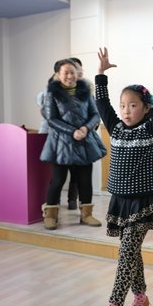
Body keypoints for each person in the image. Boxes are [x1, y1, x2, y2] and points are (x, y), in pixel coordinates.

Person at [94, 46, 153, 306]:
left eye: (132, 105)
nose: (126, 111)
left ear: (146, 108)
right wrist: (100, 75)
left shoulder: (152, 129)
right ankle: (141, 299)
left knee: (125, 254)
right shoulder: (116, 129)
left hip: (143, 204)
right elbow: (102, 104)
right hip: (119, 202)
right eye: (123, 105)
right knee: (132, 253)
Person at [39, 58, 107, 230]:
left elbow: (95, 114)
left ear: (78, 73)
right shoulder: (52, 94)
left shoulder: (85, 91)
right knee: (58, 180)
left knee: (85, 180)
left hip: (84, 141)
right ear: (58, 74)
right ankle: (51, 215)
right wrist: (72, 131)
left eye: (73, 72)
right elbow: (51, 119)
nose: (70, 76)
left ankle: (86, 215)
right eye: (66, 73)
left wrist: (85, 128)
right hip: (61, 143)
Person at [65, 57, 95, 211]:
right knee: (69, 172)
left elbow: (94, 113)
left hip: (86, 137)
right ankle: (70, 200)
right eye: (75, 68)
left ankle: (83, 207)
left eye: (79, 68)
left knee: (83, 173)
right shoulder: (62, 89)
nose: (78, 71)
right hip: (66, 138)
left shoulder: (88, 88)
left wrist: (88, 129)